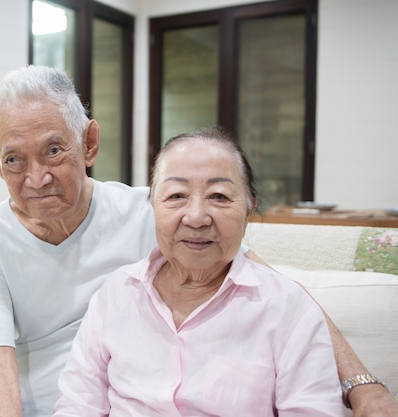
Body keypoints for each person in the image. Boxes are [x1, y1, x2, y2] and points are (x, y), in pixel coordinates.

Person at [0, 65, 397, 417]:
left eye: (54, 151)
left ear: (89, 143)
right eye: (13, 160)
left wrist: (364, 386)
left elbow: (275, 288)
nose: (36, 178)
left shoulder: (155, 213)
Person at [53, 128, 344, 416]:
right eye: (176, 195)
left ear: (249, 208)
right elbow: (78, 406)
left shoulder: (288, 309)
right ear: (153, 206)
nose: (196, 217)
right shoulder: (116, 294)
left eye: (218, 196)